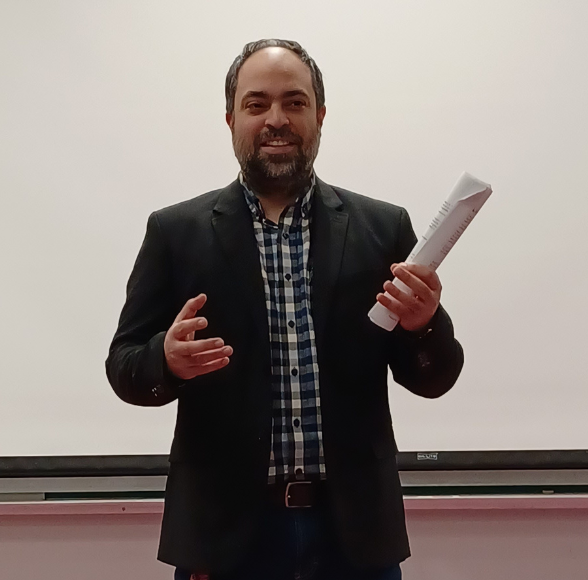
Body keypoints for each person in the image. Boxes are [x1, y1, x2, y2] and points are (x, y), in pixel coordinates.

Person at [106, 39, 464, 580]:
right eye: (257, 105)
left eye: (294, 103)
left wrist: (423, 326)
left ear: (320, 116)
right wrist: (165, 359)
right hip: (224, 541)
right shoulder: (175, 233)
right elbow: (124, 365)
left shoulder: (383, 228)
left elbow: (435, 378)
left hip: (355, 539)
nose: (277, 119)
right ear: (230, 119)